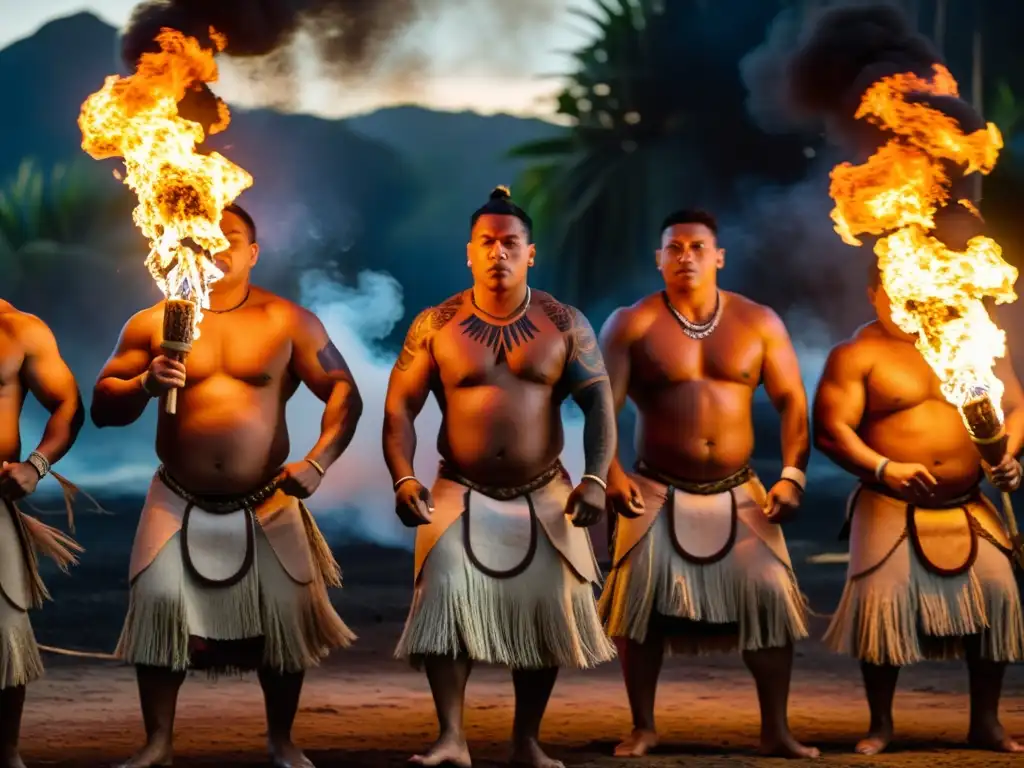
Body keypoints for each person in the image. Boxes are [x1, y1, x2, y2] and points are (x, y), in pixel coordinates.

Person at [91, 203, 362, 768]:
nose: (217, 245)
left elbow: (344, 391)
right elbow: (101, 408)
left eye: (231, 237)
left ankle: (282, 741)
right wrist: (145, 381)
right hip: (177, 495)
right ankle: (158, 744)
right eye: (203, 235)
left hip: (267, 498)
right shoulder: (154, 321)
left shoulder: (289, 321)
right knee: (161, 611)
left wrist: (318, 461)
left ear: (253, 252)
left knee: (285, 620)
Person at [383, 186, 617, 768]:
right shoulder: (435, 323)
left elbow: (601, 405)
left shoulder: (565, 322)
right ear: (469, 252)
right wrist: (403, 478)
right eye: (486, 242)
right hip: (457, 487)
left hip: (546, 490)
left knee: (543, 617)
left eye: (510, 242)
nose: (498, 253)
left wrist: (596, 479)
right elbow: (398, 410)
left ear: (530, 253)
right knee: (444, 606)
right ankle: (451, 739)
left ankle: (526, 740)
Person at [596, 209, 818, 759]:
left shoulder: (759, 321)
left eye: (697, 247)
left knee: (769, 599)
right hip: (652, 487)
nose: (686, 256)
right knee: (640, 613)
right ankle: (644, 726)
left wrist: (792, 474)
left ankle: (777, 730)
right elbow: (603, 409)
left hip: (741, 488)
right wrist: (612, 472)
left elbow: (792, 402)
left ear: (718, 256)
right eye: (674, 248)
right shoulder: (632, 323)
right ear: (659, 258)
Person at [814, 261, 1024, 755]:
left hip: (967, 501)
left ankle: (986, 723)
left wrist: (1008, 457)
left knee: (996, 597)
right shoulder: (856, 354)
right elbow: (831, 431)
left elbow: (1015, 406)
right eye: (893, 292)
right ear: (873, 295)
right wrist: (885, 468)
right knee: (883, 610)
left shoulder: (975, 340)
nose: (908, 302)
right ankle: (881, 725)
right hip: (889, 500)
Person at [0, 299, 85, 768]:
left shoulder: (17, 328)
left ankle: (6, 754)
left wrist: (35, 466)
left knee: (4, 636)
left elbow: (69, 403)